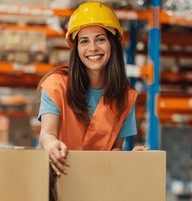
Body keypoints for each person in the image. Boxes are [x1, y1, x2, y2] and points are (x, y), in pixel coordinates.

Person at [37, 1, 148, 176]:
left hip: (96, 182)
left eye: (100, 39)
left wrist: (131, 158)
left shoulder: (126, 97)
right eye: (84, 41)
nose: (92, 48)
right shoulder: (56, 85)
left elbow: (115, 150)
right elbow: (47, 133)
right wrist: (51, 144)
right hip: (57, 177)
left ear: (113, 44)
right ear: (76, 48)